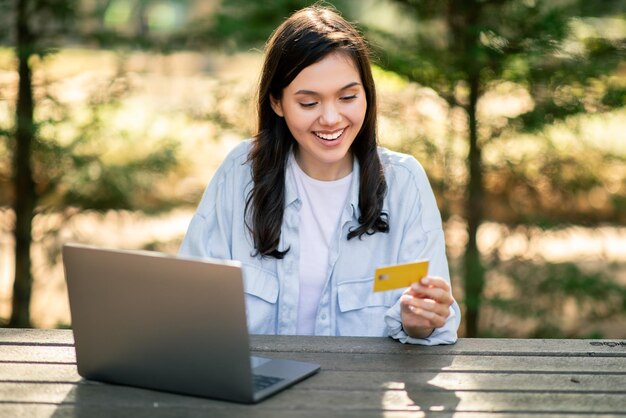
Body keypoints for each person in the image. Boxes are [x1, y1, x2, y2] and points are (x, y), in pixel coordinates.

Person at [179, 5, 460, 344]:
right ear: (277, 103)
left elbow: (433, 321)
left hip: (358, 390)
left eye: (348, 97)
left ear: (367, 95)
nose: (330, 118)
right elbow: (189, 302)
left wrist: (420, 321)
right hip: (257, 389)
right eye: (309, 103)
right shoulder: (241, 173)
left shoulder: (404, 183)